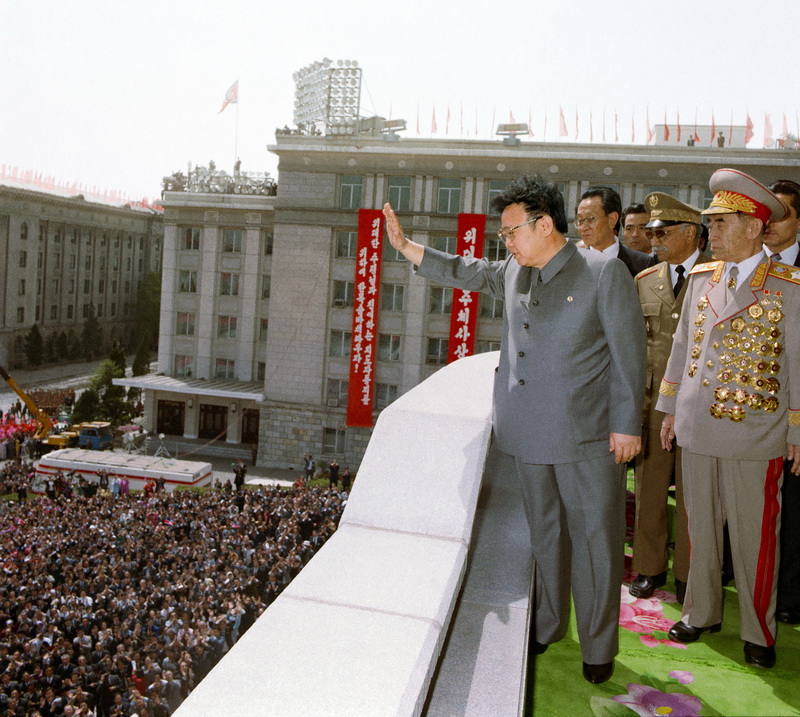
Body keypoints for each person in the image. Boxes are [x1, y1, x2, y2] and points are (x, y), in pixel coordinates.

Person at [383, 174, 646, 684]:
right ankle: (547, 625)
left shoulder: (602, 273)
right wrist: (407, 247)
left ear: (545, 225)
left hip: (587, 436)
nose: (505, 242)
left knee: (595, 541)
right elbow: (465, 270)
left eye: (511, 231)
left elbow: (628, 357)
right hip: (526, 432)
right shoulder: (513, 272)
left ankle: (598, 646)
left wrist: (626, 425)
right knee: (544, 535)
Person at [657, 168, 800, 669]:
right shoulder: (701, 279)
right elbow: (680, 348)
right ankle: (700, 611)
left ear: (756, 226)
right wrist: (670, 407)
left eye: (721, 223)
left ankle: (759, 631)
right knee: (698, 527)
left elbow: (798, 360)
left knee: (756, 536)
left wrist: (797, 428)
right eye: (710, 223)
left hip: (754, 430)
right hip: (697, 425)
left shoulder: (788, 286)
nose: (710, 232)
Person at [630, 193, 710, 603]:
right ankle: (649, 567)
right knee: (649, 489)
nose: (654, 239)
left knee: (696, 497)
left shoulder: (717, 278)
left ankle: (690, 575)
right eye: (651, 232)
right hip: (652, 405)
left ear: (692, 233)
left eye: (662, 232)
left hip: (698, 408)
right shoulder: (646, 280)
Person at [764, 179, 800, 626]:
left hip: (793, 410)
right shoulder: (740, 266)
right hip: (747, 408)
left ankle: (789, 594)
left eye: (782, 214)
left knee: (791, 506)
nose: (770, 224)